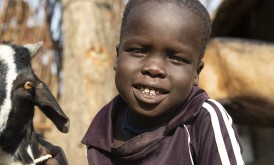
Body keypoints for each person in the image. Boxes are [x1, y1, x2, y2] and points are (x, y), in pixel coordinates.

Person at [81, 0, 244, 164]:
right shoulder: (101, 135)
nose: (154, 68)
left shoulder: (203, 120)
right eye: (139, 51)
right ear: (117, 57)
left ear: (196, 72)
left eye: (176, 58)